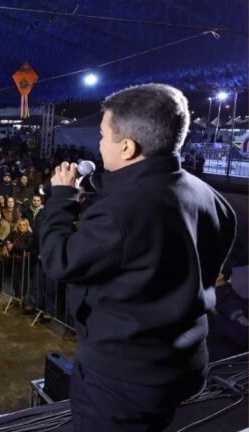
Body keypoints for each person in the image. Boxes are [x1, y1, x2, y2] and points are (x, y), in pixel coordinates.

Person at [39, 83, 236, 432]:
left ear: (127, 147)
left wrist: (61, 199)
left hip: (122, 381)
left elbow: (59, 260)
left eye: (102, 135)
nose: (98, 145)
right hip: (184, 363)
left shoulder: (121, 211)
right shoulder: (212, 198)